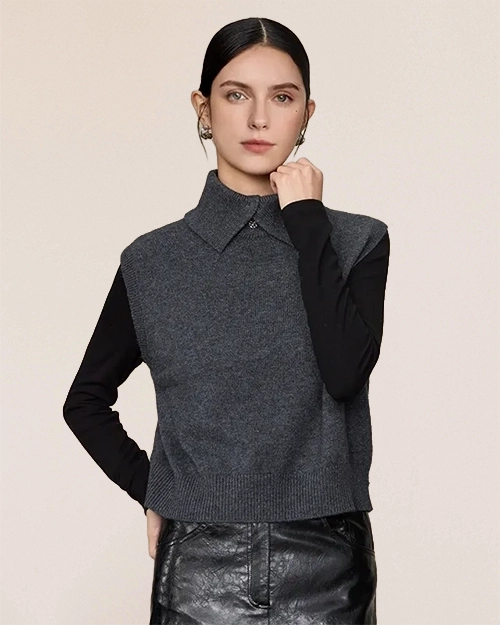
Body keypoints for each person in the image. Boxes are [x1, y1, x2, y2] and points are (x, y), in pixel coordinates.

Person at [63, 16, 390, 624]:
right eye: (237, 95)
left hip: (329, 560)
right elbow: (85, 401)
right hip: (197, 563)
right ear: (204, 108)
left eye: (282, 98)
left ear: (307, 114)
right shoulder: (153, 261)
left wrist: (307, 222)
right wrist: (156, 490)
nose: (259, 119)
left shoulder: (355, 241)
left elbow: (345, 372)